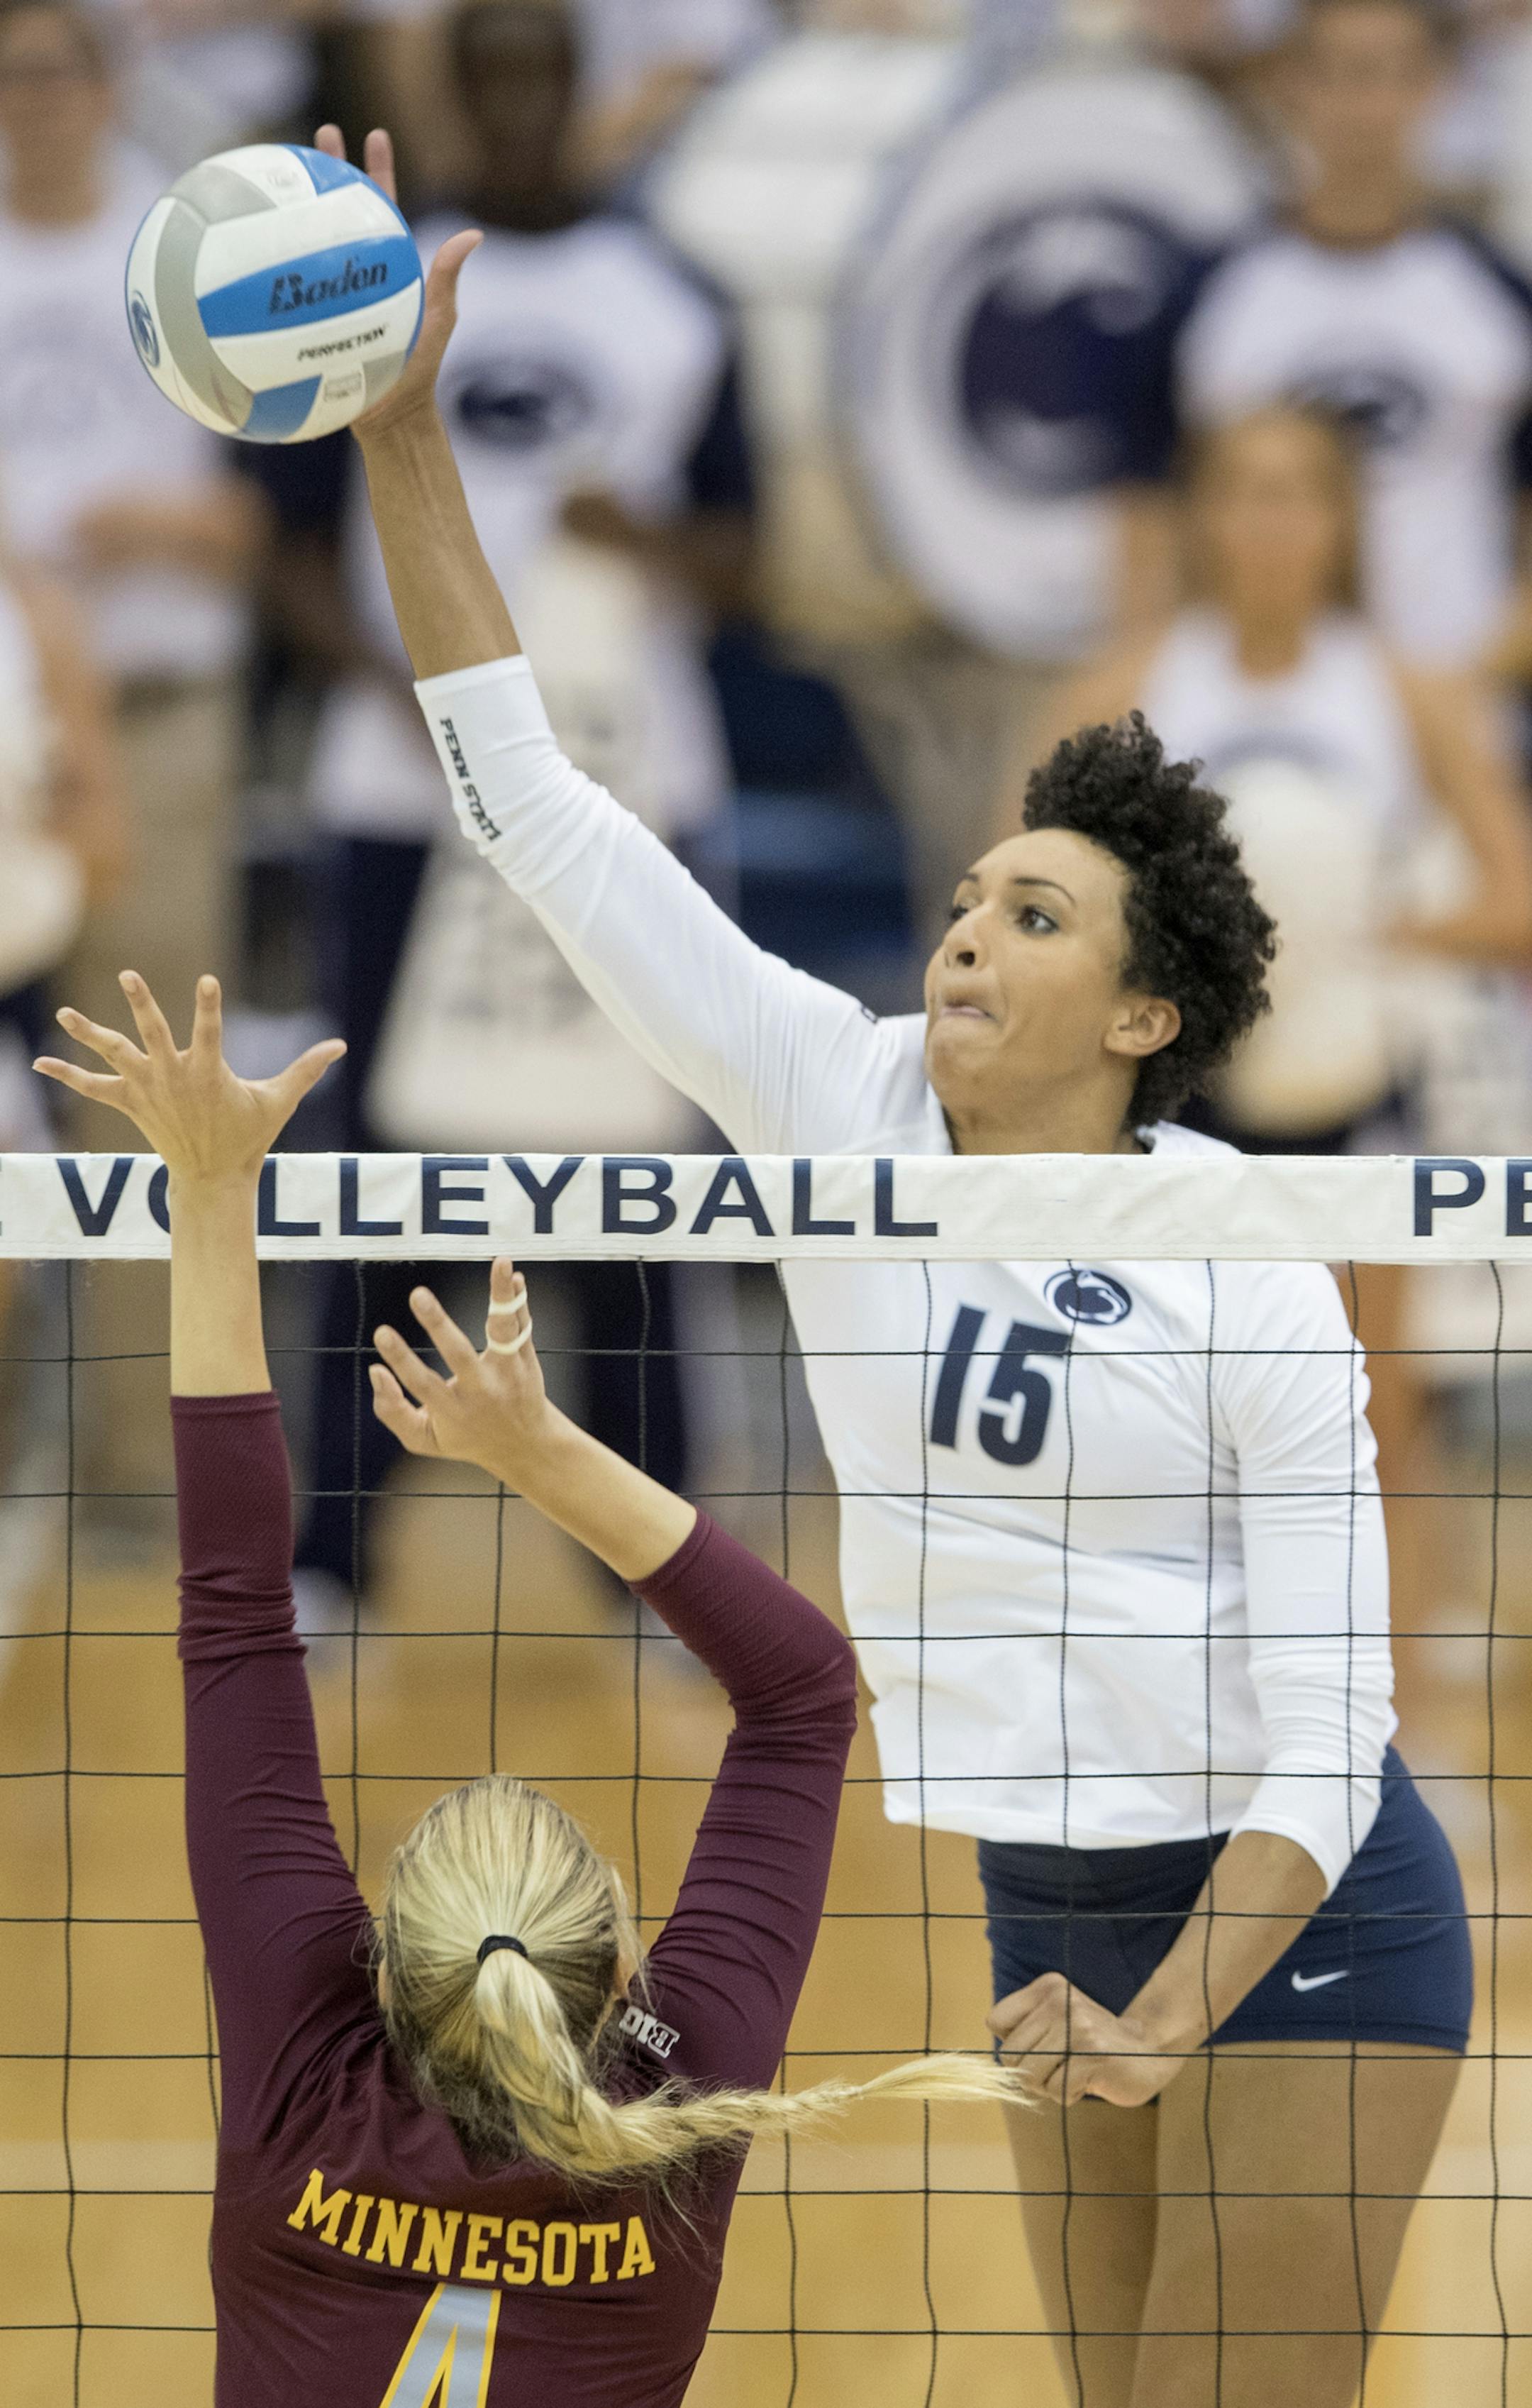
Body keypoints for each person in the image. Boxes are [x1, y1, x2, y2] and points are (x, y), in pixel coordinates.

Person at [343, 126, 1470, 2405]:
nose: (970, 927)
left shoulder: (1236, 1246)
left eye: (1037, 916)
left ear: (1147, 1016)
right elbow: (528, 801)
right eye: (970, 893)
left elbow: (1335, 1732)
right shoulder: (827, 1094)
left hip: (1303, 1912)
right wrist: (398, 432)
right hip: (1043, 1903)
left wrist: (1175, 2012)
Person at [35, 964, 1024, 2402]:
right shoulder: (666, 2110)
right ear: (623, 1973)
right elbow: (804, 1690)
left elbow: (237, 1603)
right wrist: (539, 1448)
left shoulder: (316, 2067)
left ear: (372, 1968)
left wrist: (208, 1184)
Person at [255, 0, 755, 1622]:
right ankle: (335, 1546)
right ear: (454, 89)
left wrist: (653, 539)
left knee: (637, 1180)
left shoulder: (673, 298)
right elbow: (286, 547)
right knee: (380, 1167)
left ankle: (649, 1568)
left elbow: (753, 565)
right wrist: (407, 694)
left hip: (633, 791)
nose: (525, 103)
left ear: (585, 86)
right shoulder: (356, 288)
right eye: (494, 75)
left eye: (550, 72)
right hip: (394, 802)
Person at [1036, 404, 1532, 1639]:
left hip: (1350, 1091)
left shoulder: (1400, 689)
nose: (1269, 522)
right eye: (1243, 491)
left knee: (1380, 1422)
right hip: (1180, 1104)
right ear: (1203, 515)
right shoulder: (1133, 685)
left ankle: (1408, 1741)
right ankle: (1182, 1731)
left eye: (1298, 492)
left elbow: (1512, 899)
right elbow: (1020, 895)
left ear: (1340, 520)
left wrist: (1350, 930)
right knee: (1169, 1428)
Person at [1170, 0, 1532, 676]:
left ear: (1438, 86)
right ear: (1289, 85)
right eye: (1335, 72)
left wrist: (1459, 698)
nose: (1361, 103)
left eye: (1386, 73)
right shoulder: (1207, 297)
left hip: (1462, 705)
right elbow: (1155, 525)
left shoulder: (1502, 300)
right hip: (1255, 722)